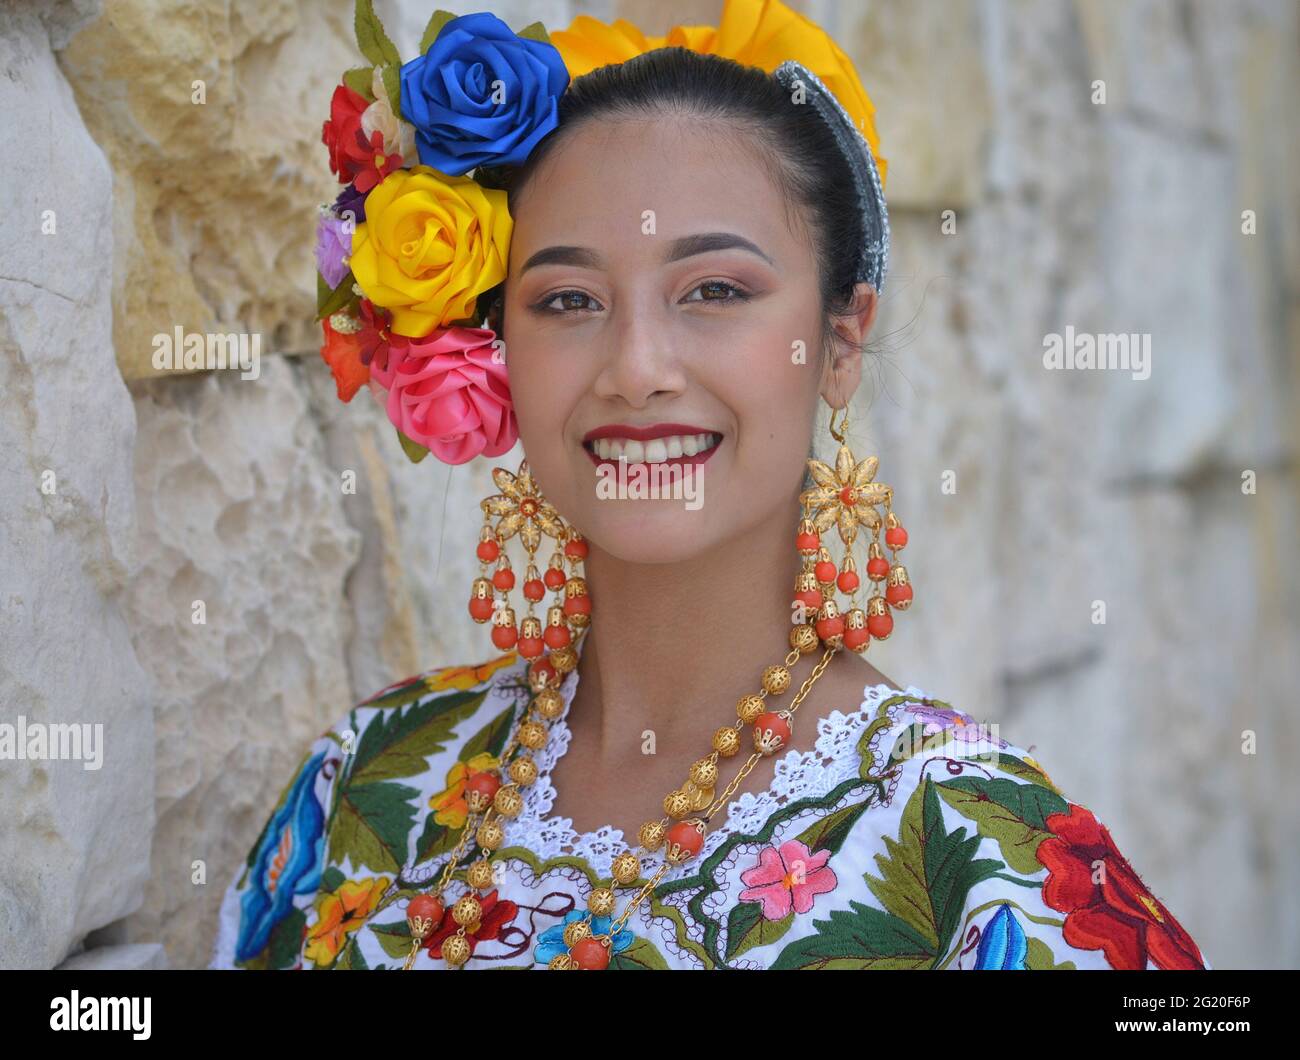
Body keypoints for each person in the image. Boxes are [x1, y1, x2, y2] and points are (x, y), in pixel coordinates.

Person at [210, 2, 1207, 971]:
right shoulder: (370, 780)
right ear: (498, 345)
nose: (637, 366)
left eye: (715, 291)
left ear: (838, 340)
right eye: (567, 299)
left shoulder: (984, 861)